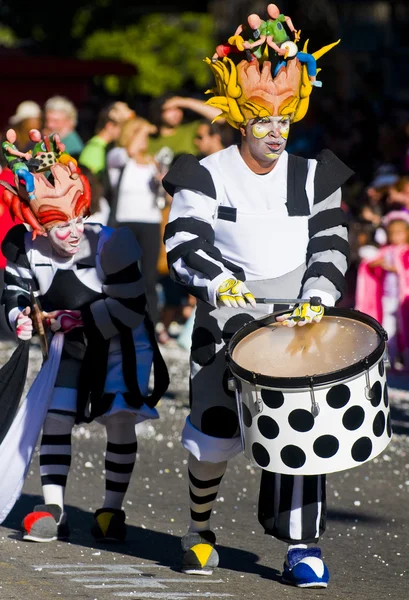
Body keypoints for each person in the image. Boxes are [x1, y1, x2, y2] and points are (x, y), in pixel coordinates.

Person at [163, 17, 351, 589]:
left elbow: (333, 242)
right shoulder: (204, 172)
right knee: (215, 433)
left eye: (284, 118)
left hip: (298, 318)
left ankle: (303, 545)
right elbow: (184, 243)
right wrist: (222, 286)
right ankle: (200, 529)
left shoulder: (317, 175)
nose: (276, 132)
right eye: (263, 119)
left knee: (301, 431)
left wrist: (318, 295)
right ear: (240, 117)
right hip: (227, 313)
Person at [0, 129, 169, 542]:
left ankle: (112, 509)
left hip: (122, 340)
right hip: (68, 340)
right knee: (55, 415)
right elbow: (14, 295)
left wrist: (79, 319)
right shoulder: (24, 248)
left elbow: (132, 308)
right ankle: (53, 507)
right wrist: (21, 318)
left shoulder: (111, 244)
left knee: (119, 414)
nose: (75, 231)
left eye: (80, 218)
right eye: (63, 225)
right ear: (37, 225)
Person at [107, 117, 162, 325]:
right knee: (122, 276)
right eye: (140, 134)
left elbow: (162, 198)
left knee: (149, 277)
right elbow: (129, 151)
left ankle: (150, 322)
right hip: (124, 222)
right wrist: (144, 126)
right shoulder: (118, 156)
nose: (144, 138)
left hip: (150, 222)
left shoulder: (153, 163)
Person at [356, 211, 409, 371]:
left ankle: (406, 362)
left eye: (399, 232)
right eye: (392, 233)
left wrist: (393, 268)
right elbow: (370, 264)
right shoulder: (386, 251)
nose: (395, 236)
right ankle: (390, 362)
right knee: (388, 329)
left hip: (404, 298)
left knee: (405, 330)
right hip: (388, 297)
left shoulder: (406, 251)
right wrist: (373, 264)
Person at [148, 95, 222, 157]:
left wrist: (185, 102)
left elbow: (221, 117)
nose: (176, 113)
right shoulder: (149, 137)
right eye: (170, 109)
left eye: (179, 108)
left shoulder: (190, 130)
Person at [79, 101, 135, 177]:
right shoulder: (95, 149)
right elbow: (87, 179)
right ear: (110, 126)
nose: (124, 131)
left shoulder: (104, 147)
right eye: (121, 127)